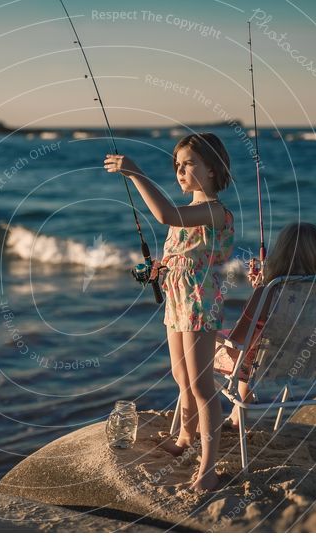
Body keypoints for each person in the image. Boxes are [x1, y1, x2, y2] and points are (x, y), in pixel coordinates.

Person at [104, 133, 234, 493]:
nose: (179, 170)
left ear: (212, 168)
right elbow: (187, 254)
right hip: (178, 303)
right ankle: (184, 439)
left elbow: (166, 215)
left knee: (202, 386)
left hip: (199, 306)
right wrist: (164, 267)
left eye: (187, 163)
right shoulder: (190, 213)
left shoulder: (213, 210)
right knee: (181, 379)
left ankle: (208, 469)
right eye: (176, 164)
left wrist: (135, 174)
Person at [216, 222, 316, 430]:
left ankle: (202, 422)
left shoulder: (268, 293)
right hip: (308, 362)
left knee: (200, 344)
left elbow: (237, 340)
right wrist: (263, 288)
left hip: (259, 365)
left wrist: (260, 292)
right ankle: (238, 416)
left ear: (280, 254)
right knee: (257, 347)